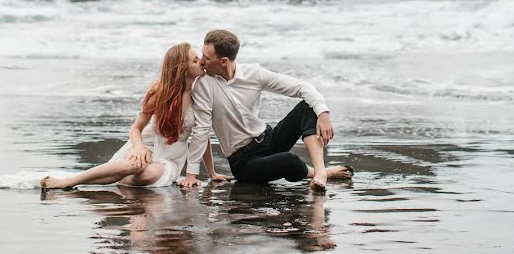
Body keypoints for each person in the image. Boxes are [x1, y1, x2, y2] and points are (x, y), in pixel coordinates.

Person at [179, 30, 352, 192]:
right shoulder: (203, 85)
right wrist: (191, 173)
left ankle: (321, 173)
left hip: (268, 139)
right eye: (202, 55)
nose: (201, 61)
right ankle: (321, 173)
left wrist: (323, 113)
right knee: (289, 160)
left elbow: (301, 87)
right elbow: (202, 129)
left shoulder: (253, 74)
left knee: (308, 107)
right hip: (244, 162)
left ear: (224, 61)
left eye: (206, 58)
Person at [41, 43, 230, 190]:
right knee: (136, 166)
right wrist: (139, 147)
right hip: (146, 145)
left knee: (148, 175)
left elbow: (202, 136)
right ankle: (69, 181)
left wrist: (212, 173)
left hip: (171, 157)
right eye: (195, 60)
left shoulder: (201, 94)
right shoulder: (160, 93)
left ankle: (113, 176)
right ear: (182, 68)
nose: (202, 62)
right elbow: (136, 128)